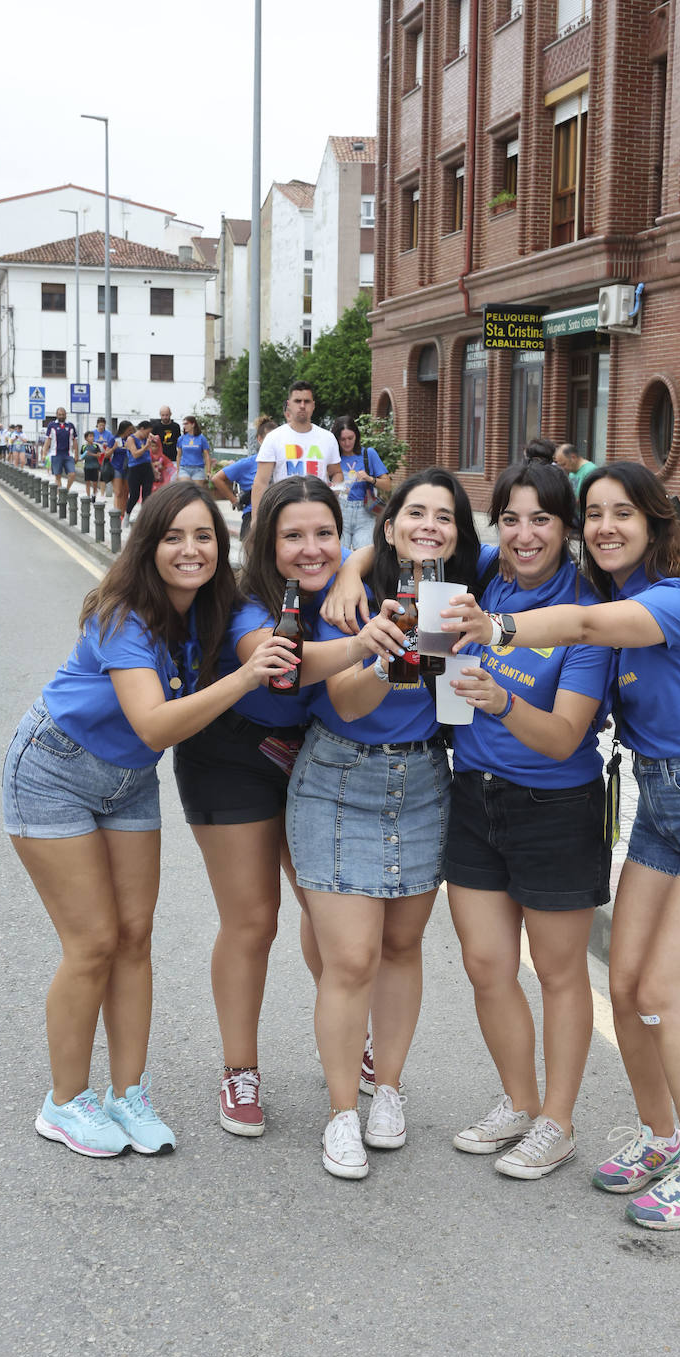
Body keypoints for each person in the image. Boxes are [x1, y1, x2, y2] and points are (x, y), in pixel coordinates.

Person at [448, 460, 680, 1229]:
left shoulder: (676, 601)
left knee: (666, 994)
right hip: (662, 806)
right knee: (627, 989)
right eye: (594, 512)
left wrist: (496, 630)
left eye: (621, 514)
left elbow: (585, 629)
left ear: (656, 523)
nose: (604, 527)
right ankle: (661, 1135)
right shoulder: (613, 590)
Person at [2, 483, 287, 1159]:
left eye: (204, 537)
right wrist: (244, 680)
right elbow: (156, 722)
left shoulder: (216, 609)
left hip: (129, 781)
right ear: (147, 545)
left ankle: (127, 1095)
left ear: (222, 548)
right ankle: (66, 1103)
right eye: (173, 537)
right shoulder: (123, 615)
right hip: (54, 771)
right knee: (94, 943)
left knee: (135, 937)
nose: (190, 550)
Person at [173, 477, 401, 1138]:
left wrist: (357, 566)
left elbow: (397, 549)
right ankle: (239, 1071)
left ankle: (350, 1033)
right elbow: (284, 666)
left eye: (324, 533)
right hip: (231, 756)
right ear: (266, 543)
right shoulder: (245, 601)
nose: (310, 548)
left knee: (326, 908)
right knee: (252, 921)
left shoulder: (348, 588)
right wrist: (368, 642)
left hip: (311, 754)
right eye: (293, 536)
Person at [287, 468, 491, 1179]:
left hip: (425, 777)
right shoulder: (349, 601)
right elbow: (342, 702)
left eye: (444, 516)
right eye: (415, 513)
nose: (428, 526)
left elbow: (538, 554)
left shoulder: (468, 592)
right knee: (350, 960)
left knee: (403, 948)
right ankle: (342, 1112)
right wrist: (385, 642)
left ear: (460, 533)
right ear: (391, 522)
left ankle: (389, 1091)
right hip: (339, 777)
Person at [446, 462, 612, 1179]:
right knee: (486, 965)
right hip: (473, 799)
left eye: (541, 520)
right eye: (510, 519)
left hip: (556, 807)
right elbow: (411, 535)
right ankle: (518, 1101)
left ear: (566, 528)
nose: (523, 535)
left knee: (557, 972)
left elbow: (567, 736)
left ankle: (558, 1120)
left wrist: (500, 701)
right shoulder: (487, 581)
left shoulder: (589, 614)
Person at [249, 381, 340, 522]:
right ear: (289, 405)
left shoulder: (327, 438)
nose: (302, 406)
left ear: (313, 405)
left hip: (319, 513)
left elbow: (336, 473)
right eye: (298, 401)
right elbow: (261, 482)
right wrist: (255, 521)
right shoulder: (274, 438)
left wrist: (332, 497)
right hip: (284, 512)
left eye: (307, 401)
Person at [330, 414, 391, 551]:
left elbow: (387, 485)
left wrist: (370, 478)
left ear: (356, 436)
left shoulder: (368, 454)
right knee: (339, 555)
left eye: (350, 438)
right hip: (340, 510)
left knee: (364, 556)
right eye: (342, 439)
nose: (347, 443)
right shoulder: (333, 457)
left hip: (365, 512)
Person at [210, 416, 274, 542]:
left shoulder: (283, 462)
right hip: (252, 516)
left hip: (276, 514)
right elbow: (217, 478)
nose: (274, 443)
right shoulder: (249, 463)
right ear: (260, 439)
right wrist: (235, 501)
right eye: (269, 439)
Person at [125, 420, 154, 525]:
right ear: (141, 429)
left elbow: (148, 457)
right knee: (134, 495)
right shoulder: (131, 439)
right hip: (135, 468)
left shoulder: (146, 439)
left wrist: (154, 470)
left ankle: (143, 518)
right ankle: (127, 515)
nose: (148, 434)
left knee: (147, 494)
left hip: (146, 468)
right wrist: (146, 446)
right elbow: (135, 454)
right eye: (147, 432)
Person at [41, 407, 79, 489]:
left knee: (72, 474)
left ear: (66, 415)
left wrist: (76, 454)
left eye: (63, 415)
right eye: (59, 415)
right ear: (56, 415)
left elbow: (75, 441)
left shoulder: (70, 426)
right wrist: (44, 454)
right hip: (56, 454)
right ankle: (60, 494)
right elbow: (48, 440)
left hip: (68, 454)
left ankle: (66, 490)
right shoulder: (52, 425)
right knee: (58, 476)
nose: (61, 416)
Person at [107, 421, 134, 514]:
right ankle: (116, 513)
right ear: (124, 429)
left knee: (126, 492)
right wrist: (114, 448)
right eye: (129, 430)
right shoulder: (114, 439)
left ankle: (123, 513)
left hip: (128, 468)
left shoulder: (131, 440)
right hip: (116, 467)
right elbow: (106, 454)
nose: (131, 431)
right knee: (118, 492)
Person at [176, 415, 212, 483]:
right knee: (186, 489)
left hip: (198, 469)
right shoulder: (181, 439)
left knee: (196, 491)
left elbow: (206, 455)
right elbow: (179, 456)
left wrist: (208, 471)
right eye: (184, 424)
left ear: (193, 424)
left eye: (186, 424)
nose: (184, 426)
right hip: (184, 468)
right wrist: (178, 471)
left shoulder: (202, 438)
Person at [152, 406, 181, 471]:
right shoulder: (156, 427)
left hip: (173, 457)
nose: (165, 417)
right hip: (160, 458)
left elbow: (179, 442)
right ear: (160, 415)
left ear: (170, 414)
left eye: (167, 415)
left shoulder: (176, 426)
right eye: (163, 415)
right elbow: (152, 443)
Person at [80, 430, 102, 498]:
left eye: (92, 436)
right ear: (86, 438)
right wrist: (81, 458)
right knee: (87, 482)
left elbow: (99, 455)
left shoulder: (96, 446)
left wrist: (91, 454)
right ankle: (88, 497)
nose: (92, 438)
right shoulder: (83, 446)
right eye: (90, 436)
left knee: (95, 483)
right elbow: (82, 457)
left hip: (95, 467)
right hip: (87, 467)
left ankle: (94, 495)